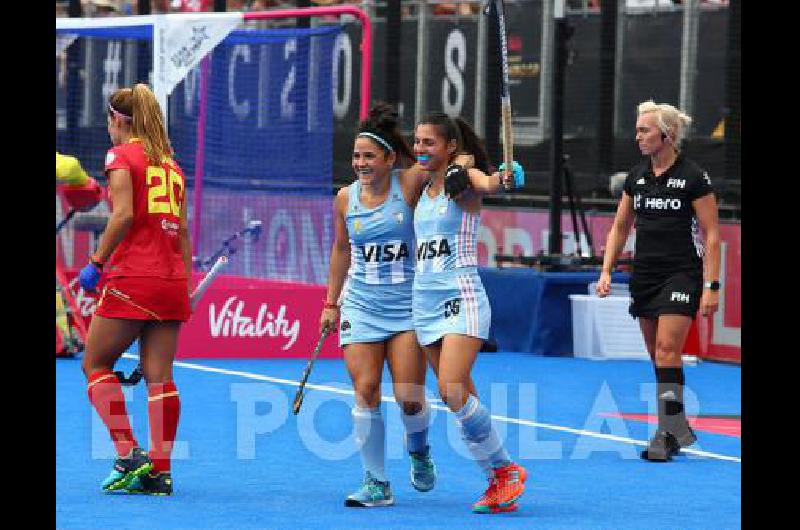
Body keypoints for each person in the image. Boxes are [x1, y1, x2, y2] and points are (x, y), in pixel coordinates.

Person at [320, 103, 446, 508]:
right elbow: (341, 250)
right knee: (366, 389)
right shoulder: (345, 199)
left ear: (390, 158)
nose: (360, 163)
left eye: (369, 156)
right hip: (360, 305)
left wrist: (498, 178)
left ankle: (419, 449)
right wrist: (330, 303)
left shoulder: (407, 184)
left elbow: (443, 158)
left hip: (407, 309)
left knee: (410, 396)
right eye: (356, 156)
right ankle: (376, 482)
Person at [410, 112, 527, 514]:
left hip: (460, 294)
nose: (421, 149)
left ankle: (509, 470)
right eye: (418, 141)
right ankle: (498, 477)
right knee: (460, 397)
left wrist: (505, 177)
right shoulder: (423, 185)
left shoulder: (466, 181)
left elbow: (491, 183)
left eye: (429, 143)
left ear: (450, 147)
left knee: (450, 387)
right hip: (423, 300)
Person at [79, 83, 192, 495]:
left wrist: (95, 262)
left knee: (95, 363)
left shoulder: (120, 155)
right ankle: (160, 472)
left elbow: (123, 214)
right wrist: (183, 283)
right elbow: (181, 231)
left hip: (132, 278)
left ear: (117, 120)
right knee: (161, 378)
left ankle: (128, 454)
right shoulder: (172, 166)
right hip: (170, 282)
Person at [596, 100, 720, 462]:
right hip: (645, 275)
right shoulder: (636, 177)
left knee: (668, 349)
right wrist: (606, 270)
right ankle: (679, 425)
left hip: (682, 273)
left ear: (665, 135)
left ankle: (666, 432)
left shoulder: (694, 176)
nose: (638, 137)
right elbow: (621, 226)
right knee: (658, 356)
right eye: (637, 130)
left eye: (644, 130)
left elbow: (712, 234)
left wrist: (712, 286)